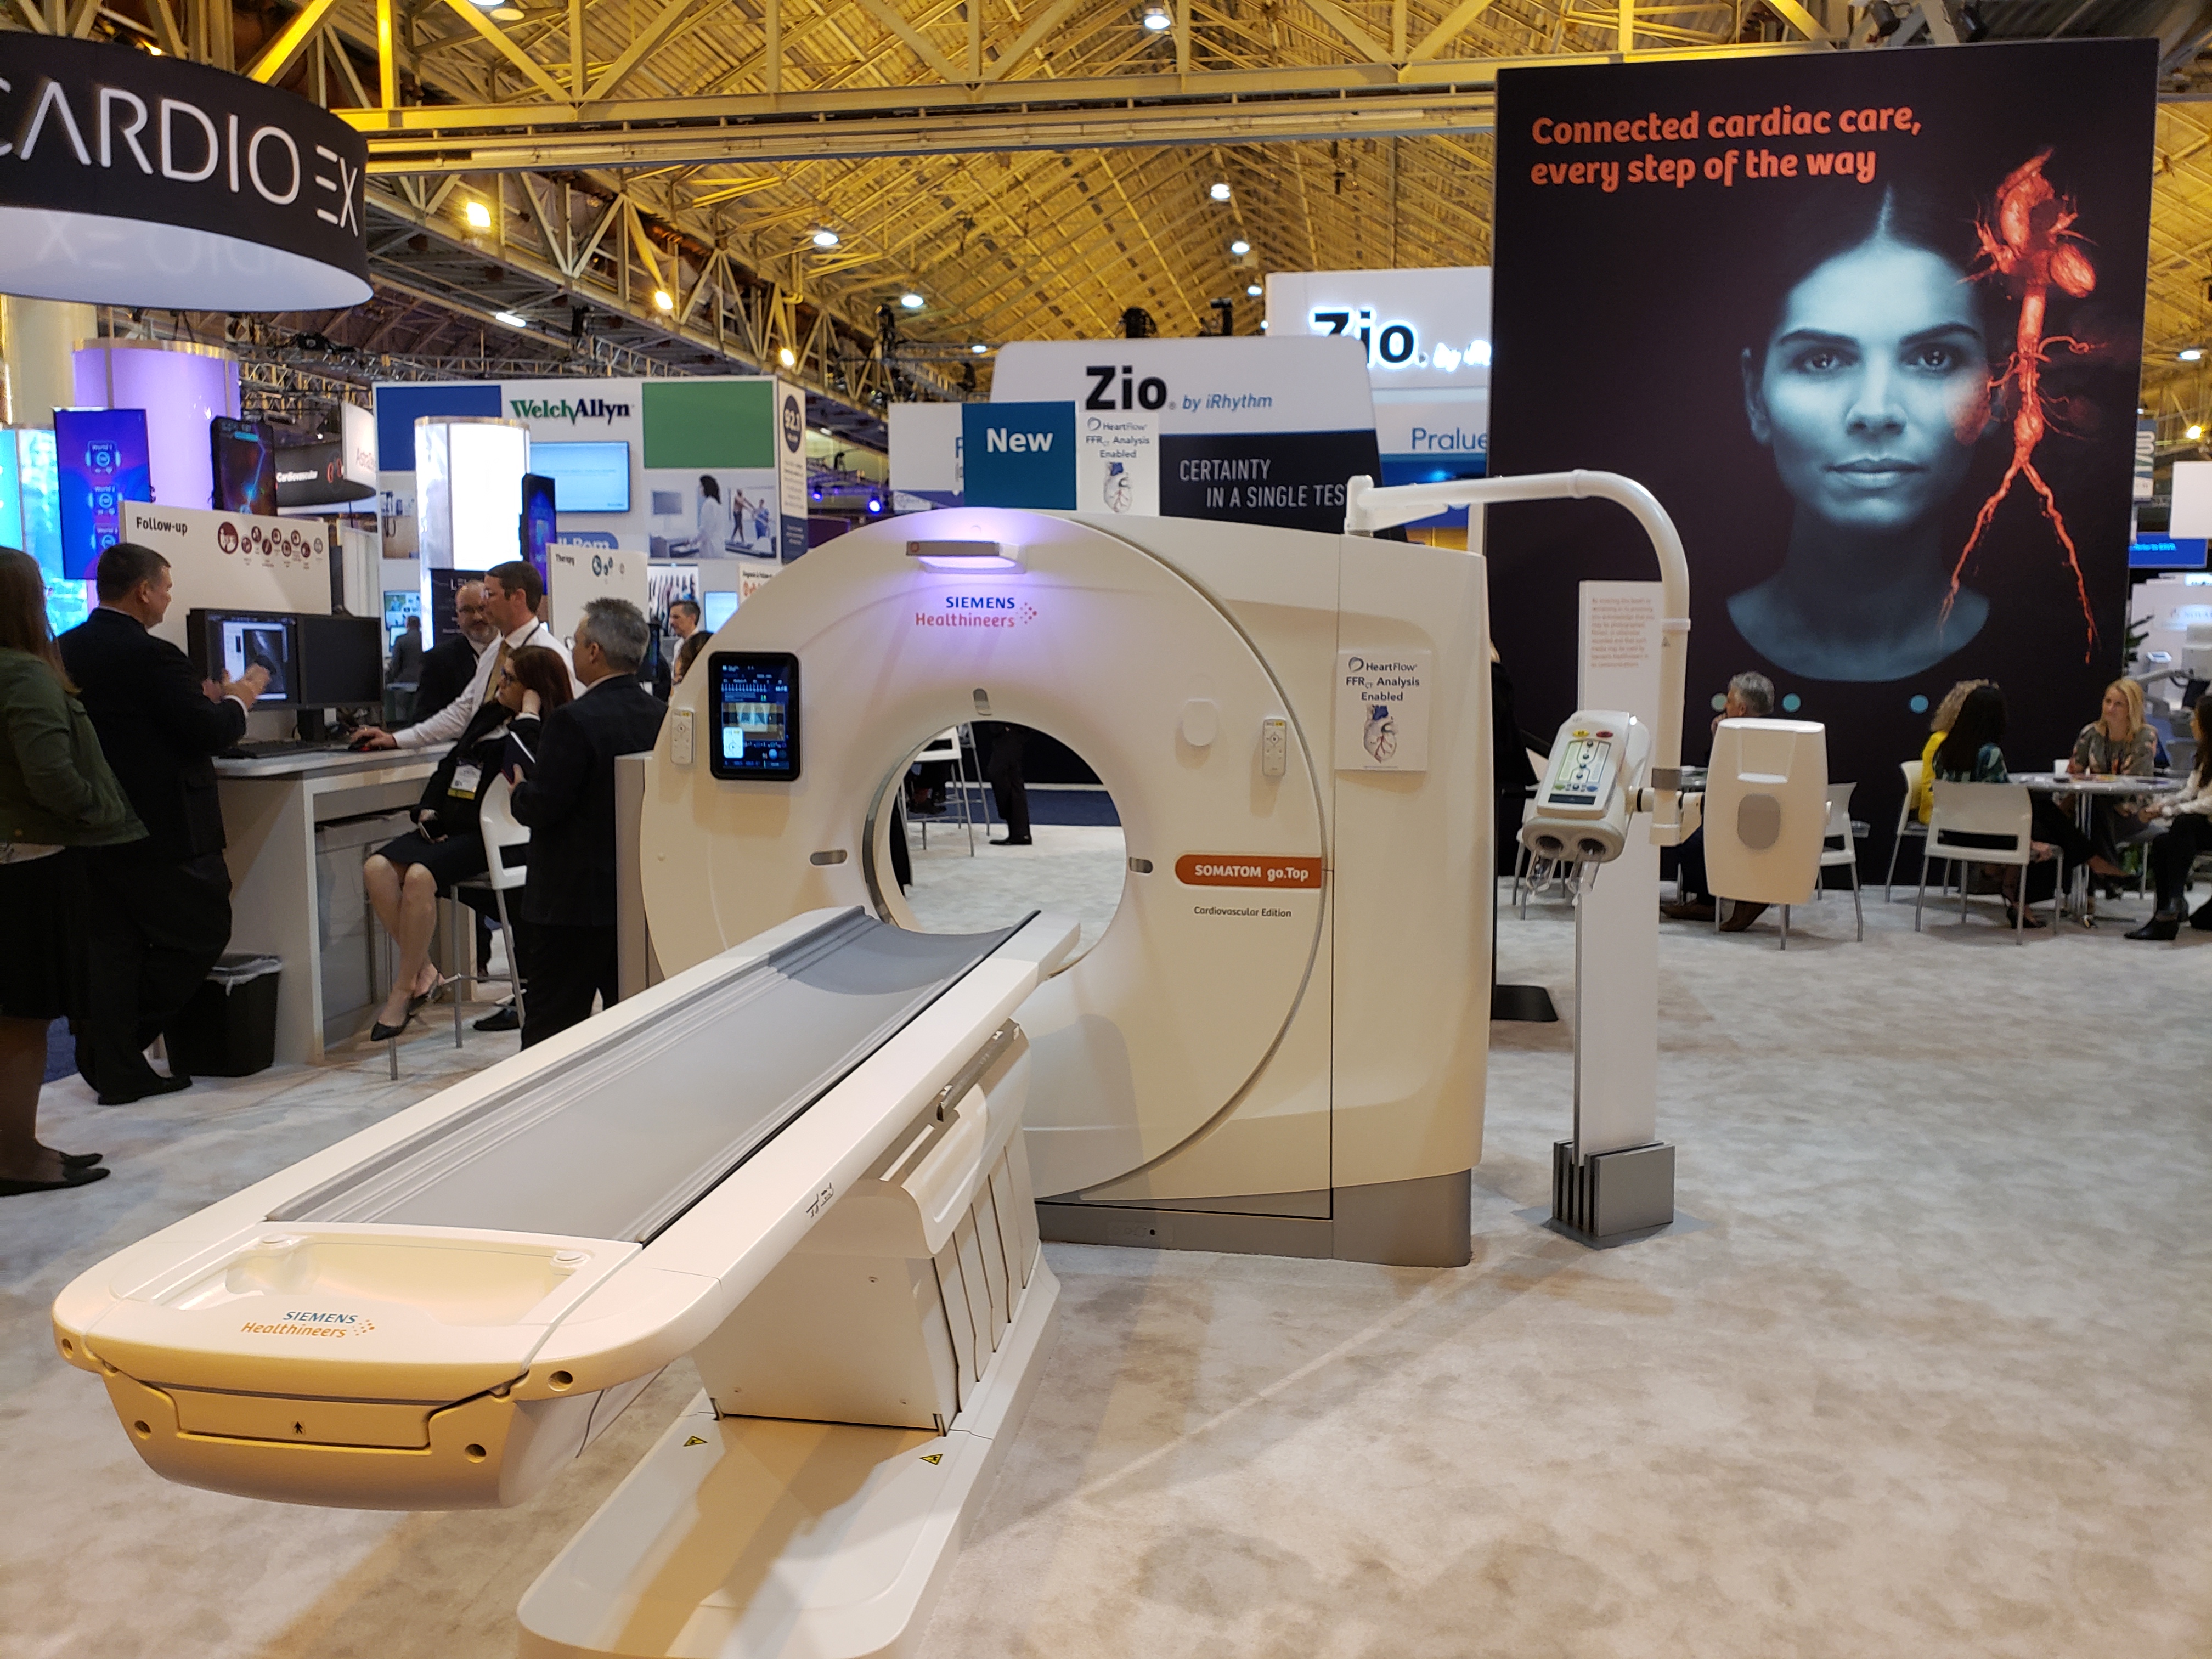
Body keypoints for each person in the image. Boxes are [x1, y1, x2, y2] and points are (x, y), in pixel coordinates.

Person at [1731, 189, 1994, 682]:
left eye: (1934, 358)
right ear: (1755, 396)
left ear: (1999, 391)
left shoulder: (2054, 656)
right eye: (1822, 360)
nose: (1875, 411)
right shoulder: (1679, 647)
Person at [59, 543, 267, 1104]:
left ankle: (115, 1063)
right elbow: (207, 732)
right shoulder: (155, 657)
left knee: (115, 947)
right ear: (144, 591)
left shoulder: (64, 650)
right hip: (167, 828)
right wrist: (240, 700)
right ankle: (115, 1046)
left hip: (93, 826)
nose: (170, 598)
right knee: (203, 929)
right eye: (167, 588)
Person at [0, 548, 143, 1192]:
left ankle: (16, 1146)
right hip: (29, 865)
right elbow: (52, 774)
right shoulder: (25, 676)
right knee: (25, 1018)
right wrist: (95, 809)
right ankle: (17, 1158)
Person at [360, 646, 572, 1041]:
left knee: (420, 876)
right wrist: (426, 808)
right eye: (502, 675)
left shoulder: (549, 728)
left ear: (533, 690)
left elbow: (523, 767)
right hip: (451, 826)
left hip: (495, 836)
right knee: (377, 868)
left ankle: (402, 990)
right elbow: (452, 764)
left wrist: (528, 716)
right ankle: (425, 971)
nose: (500, 684)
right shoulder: (489, 714)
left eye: (510, 679)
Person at [501, 598, 667, 1048]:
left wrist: (519, 794)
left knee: (551, 1029)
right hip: (635, 898)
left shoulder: (572, 721)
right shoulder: (661, 715)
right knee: (630, 1025)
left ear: (594, 652)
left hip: (569, 904)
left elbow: (544, 806)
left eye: (576, 642)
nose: (572, 650)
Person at [351, 562, 569, 752]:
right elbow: (463, 711)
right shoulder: (495, 651)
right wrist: (397, 739)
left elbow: (564, 729)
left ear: (518, 598)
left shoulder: (550, 655)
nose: (485, 604)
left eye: (490, 595)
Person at [1927, 683, 2093, 928]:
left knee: (2043, 810)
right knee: (2046, 829)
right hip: (1985, 833)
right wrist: (2031, 842)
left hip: (1953, 832)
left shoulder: (1943, 751)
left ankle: (2014, 886)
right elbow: (2002, 809)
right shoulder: (1990, 754)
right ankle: (2022, 896)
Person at [1662, 671, 1775, 926]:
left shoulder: (1744, 736)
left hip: (1748, 818)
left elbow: (1721, 776)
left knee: (1687, 841)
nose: (1726, 706)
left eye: (1730, 700)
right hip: (1755, 813)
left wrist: (1720, 737)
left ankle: (1716, 902)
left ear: (1742, 709)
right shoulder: (1773, 732)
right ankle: (1711, 901)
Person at [2125, 699, 2212, 939]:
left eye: (2196, 718)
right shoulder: (2205, 754)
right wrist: (2163, 805)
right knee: (2164, 842)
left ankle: (2172, 906)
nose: (2192, 723)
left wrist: (2172, 812)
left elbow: (2209, 803)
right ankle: (2167, 912)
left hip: (2206, 822)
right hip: (2203, 825)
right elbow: (2190, 791)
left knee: (2185, 823)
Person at [2068, 678, 2157, 876]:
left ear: (2131, 708)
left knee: (2086, 826)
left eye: (2118, 704)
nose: (2110, 709)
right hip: (2095, 808)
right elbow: (2074, 773)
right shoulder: (2091, 733)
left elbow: (2133, 785)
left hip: (2132, 810)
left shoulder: (2144, 736)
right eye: (2107, 701)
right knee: (2091, 811)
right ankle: (2107, 876)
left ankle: (2100, 879)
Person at [409, 582, 496, 727]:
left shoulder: (517, 650)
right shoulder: (437, 661)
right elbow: (423, 719)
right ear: (458, 616)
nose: (477, 617)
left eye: (483, 608)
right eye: (467, 610)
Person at [1914, 678, 1993, 823]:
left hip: (1966, 812)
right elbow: (1931, 789)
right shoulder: (1941, 741)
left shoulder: (1980, 745)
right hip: (1940, 813)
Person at [981, 721, 1031, 846]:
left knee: (1005, 774)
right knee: (1010, 776)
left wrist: (1010, 726)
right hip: (1006, 727)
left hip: (1011, 727)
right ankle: (1019, 832)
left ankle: (1019, 832)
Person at [386, 615, 425, 691]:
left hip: (405, 681)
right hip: (423, 679)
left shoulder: (400, 640)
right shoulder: (426, 640)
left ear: (407, 625)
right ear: (420, 625)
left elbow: (395, 664)